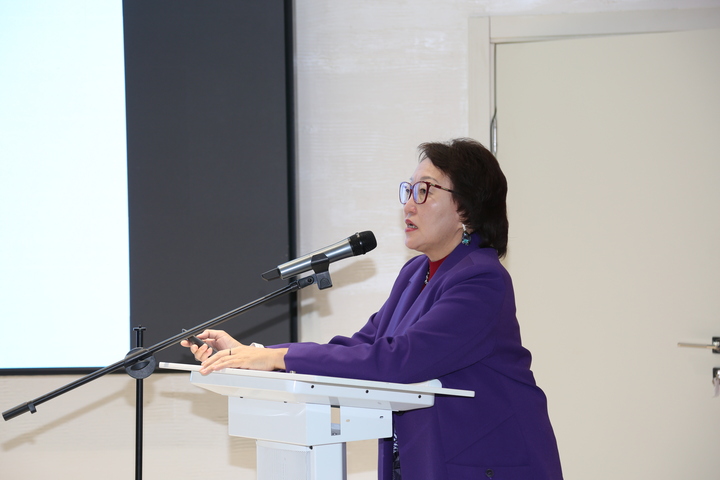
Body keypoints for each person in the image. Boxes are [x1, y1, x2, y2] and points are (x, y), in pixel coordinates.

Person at [182, 138, 563, 479]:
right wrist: (255, 355)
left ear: (466, 208)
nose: (408, 204)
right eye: (408, 190)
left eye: (424, 191)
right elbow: (362, 347)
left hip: (488, 464)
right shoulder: (416, 273)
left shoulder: (481, 279)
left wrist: (277, 358)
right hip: (423, 460)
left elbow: (399, 360)